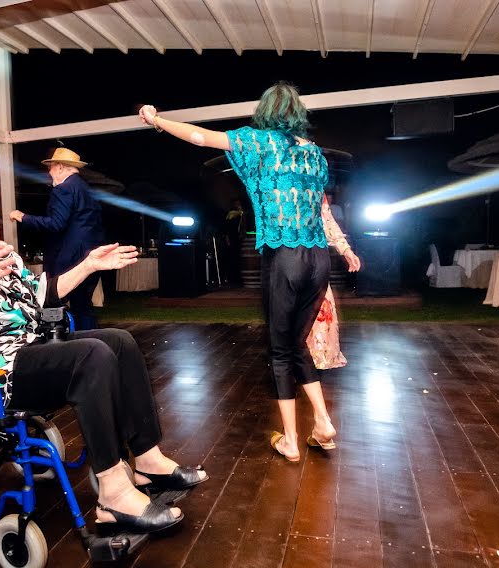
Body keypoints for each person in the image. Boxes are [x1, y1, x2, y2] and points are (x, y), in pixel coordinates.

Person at [0, 175, 207, 533]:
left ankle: (148, 459)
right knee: (90, 355)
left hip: (28, 350)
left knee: (119, 341)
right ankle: (114, 493)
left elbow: (42, 295)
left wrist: (89, 265)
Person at [138, 83, 337, 462]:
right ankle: (323, 421)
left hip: (286, 256)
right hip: (318, 259)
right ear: (297, 113)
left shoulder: (257, 141)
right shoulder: (314, 153)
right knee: (297, 343)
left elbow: (199, 137)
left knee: (280, 350)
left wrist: (158, 120)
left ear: (265, 111)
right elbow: (320, 196)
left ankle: (292, 442)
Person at [9, 147, 104, 330]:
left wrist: (23, 217)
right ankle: (91, 343)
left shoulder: (64, 189)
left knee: (52, 299)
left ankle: (59, 345)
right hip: (89, 254)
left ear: (60, 167)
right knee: (83, 305)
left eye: (50, 168)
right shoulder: (84, 188)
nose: (49, 172)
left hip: (70, 258)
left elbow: (55, 224)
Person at [307, 195, 361, 373]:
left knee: (319, 309)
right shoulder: (273, 178)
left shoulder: (314, 184)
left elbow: (327, 218)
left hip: (313, 257)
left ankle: (317, 356)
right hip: (284, 257)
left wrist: (345, 249)